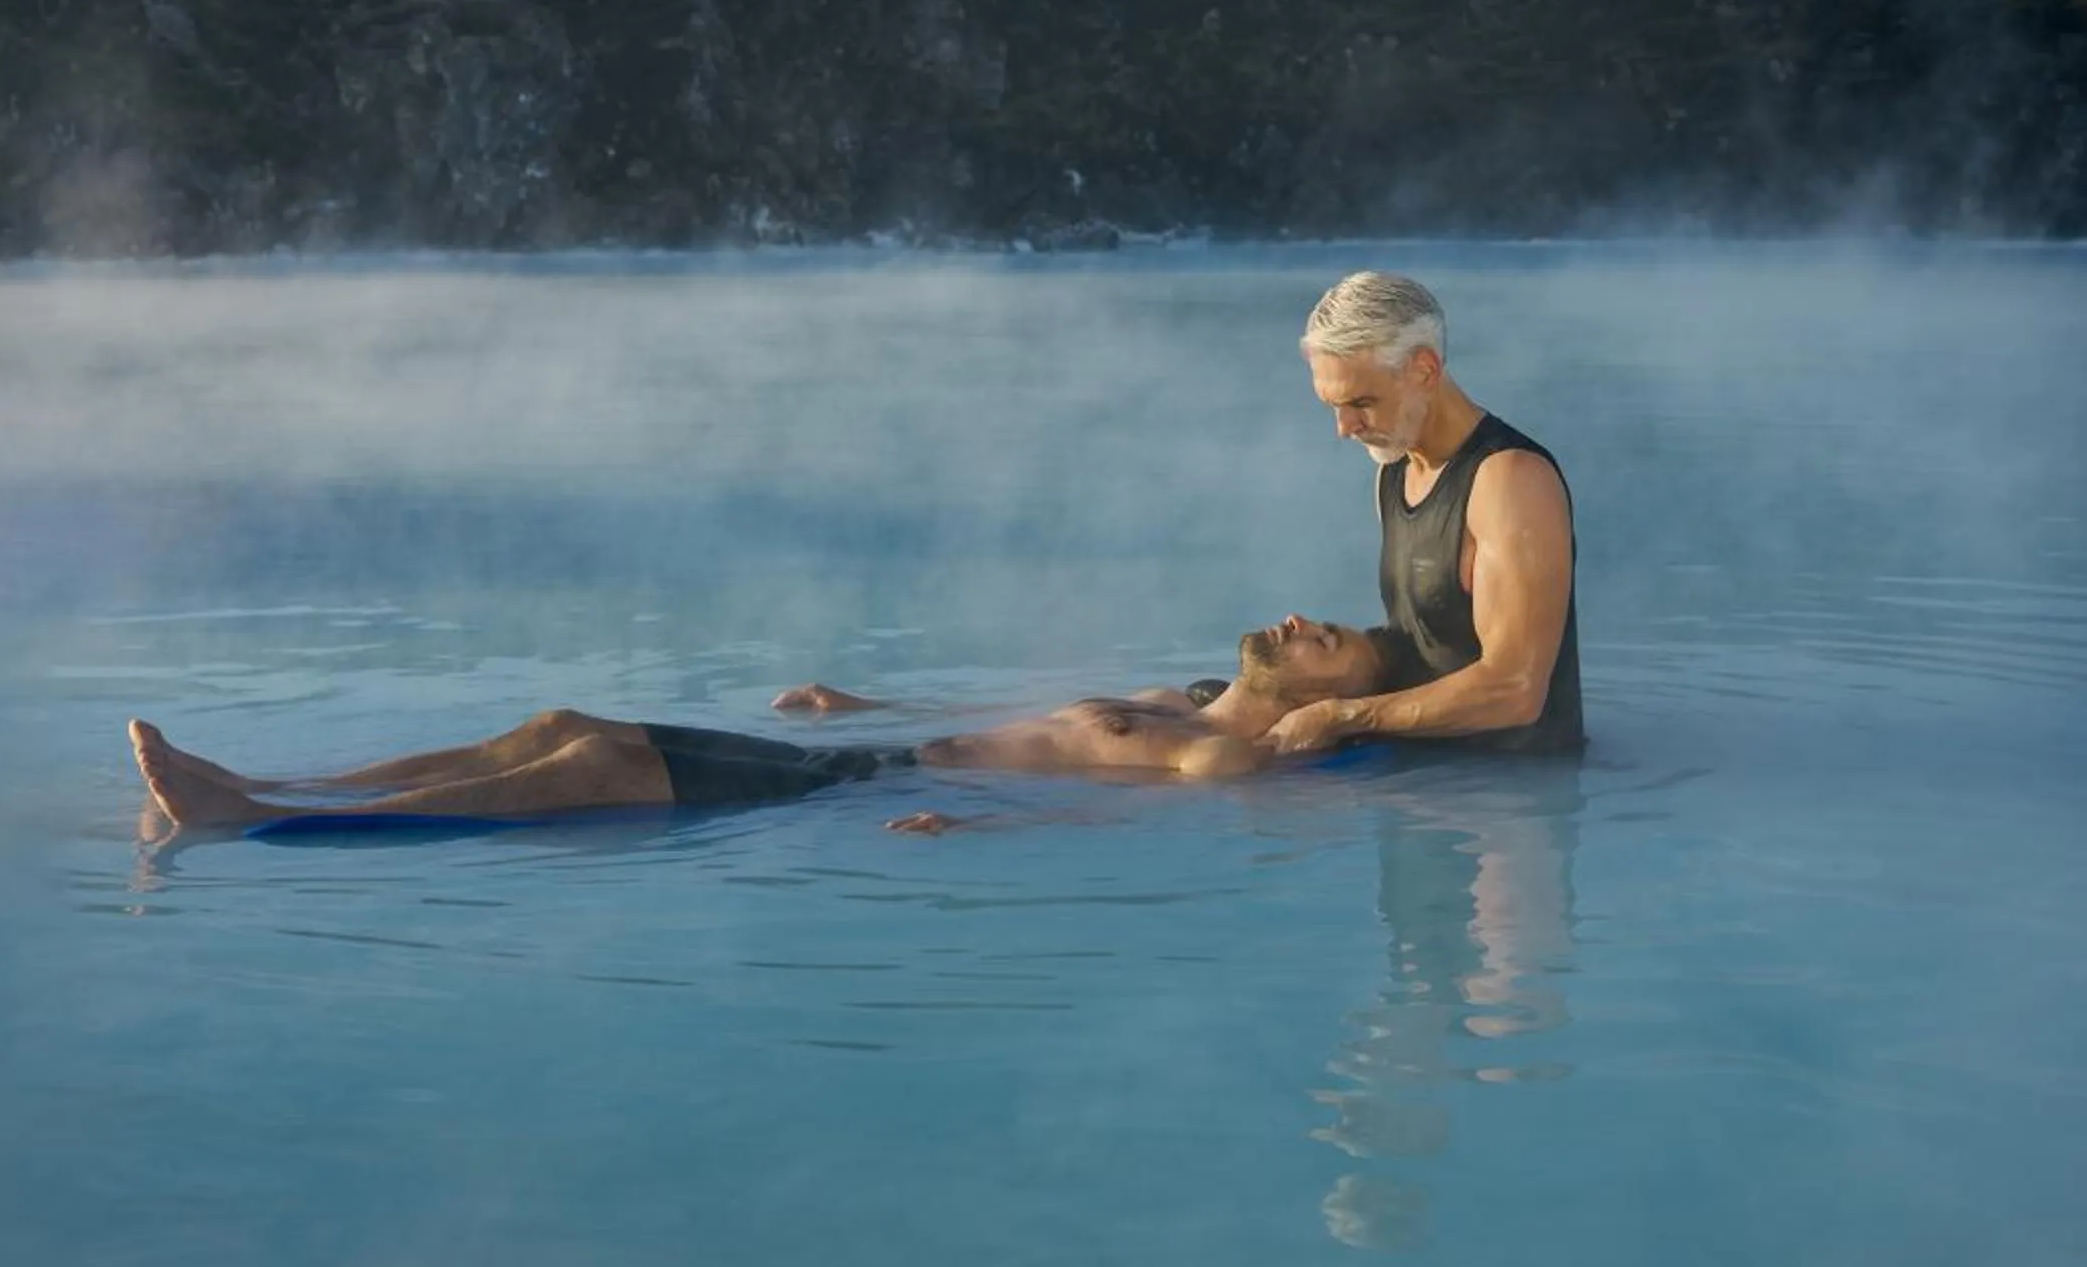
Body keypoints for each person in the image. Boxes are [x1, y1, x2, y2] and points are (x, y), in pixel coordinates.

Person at [126, 612, 1394, 836]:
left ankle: (250, 819)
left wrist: (982, 829)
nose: (1294, 622)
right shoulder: (1173, 697)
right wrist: (870, 702)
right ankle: (279, 781)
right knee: (563, 717)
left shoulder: (1215, 750)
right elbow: (1028, 719)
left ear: (1318, 692)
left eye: (1321, 637)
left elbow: (1108, 811)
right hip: (857, 749)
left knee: (593, 765)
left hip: (838, 793)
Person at [1256, 269, 1583, 761]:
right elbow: (1424, 640)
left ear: (1424, 370)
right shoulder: (1395, 470)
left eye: (1361, 403)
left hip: (1512, 799)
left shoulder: (1510, 480)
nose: (1344, 429)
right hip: (1423, 779)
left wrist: (1343, 715)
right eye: (1332, 406)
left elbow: (1516, 690)